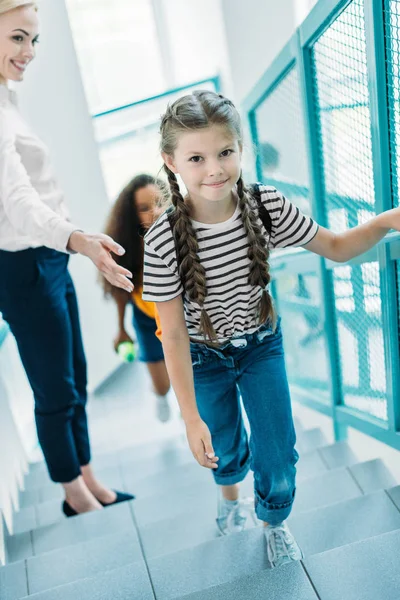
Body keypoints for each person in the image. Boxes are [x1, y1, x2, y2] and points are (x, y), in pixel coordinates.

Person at [142, 89, 400, 568]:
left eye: (225, 152)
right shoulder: (161, 239)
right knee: (223, 447)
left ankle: (273, 522)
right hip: (203, 358)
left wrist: (387, 220)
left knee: (278, 452)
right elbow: (172, 335)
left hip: (262, 347)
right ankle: (228, 501)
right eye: (196, 158)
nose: (214, 168)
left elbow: (338, 247)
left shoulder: (266, 206)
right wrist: (189, 416)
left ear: (241, 147)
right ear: (171, 162)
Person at [0, 1, 135, 517]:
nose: (29, 52)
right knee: (54, 385)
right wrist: (78, 239)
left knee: (73, 374)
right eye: (18, 38)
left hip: (49, 260)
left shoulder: (8, 99)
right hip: (27, 267)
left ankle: (88, 475)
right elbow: (17, 202)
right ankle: (73, 493)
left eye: (34, 40)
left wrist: (68, 245)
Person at [102, 174, 171, 422]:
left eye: (160, 202)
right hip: (147, 319)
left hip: (179, 316)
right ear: (132, 215)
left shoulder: (179, 234)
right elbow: (122, 294)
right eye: (144, 208)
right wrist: (120, 329)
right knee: (163, 386)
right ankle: (160, 396)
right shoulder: (128, 248)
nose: (155, 211)